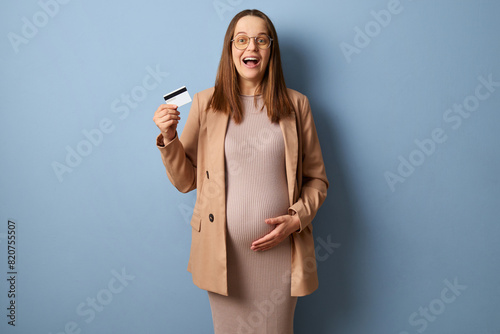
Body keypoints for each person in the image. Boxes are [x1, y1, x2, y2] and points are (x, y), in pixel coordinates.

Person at [153, 9, 328, 334]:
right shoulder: (206, 104)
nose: (252, 48)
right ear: (230, 48)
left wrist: (296, 219)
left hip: (281, 253)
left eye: (261, 40)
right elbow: (186, 181)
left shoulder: (296, 105)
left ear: (270, 49)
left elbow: (316, 179)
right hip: (223, 256)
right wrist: (169, 137)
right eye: (242, 40)